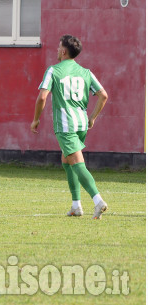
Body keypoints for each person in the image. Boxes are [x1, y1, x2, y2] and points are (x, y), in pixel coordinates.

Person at [30, 35, 109, 219]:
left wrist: (35, 119)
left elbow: (42, 97)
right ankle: (76, 206)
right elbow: (103, 95)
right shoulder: (86, 72)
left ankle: (98, 201)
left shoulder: (53, 70)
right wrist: (93, 118)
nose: (57, 50)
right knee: (67, 161)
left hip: (66, 125)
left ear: (64, 51)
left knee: (77, 163)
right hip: (81, 123)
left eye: (59, 47)